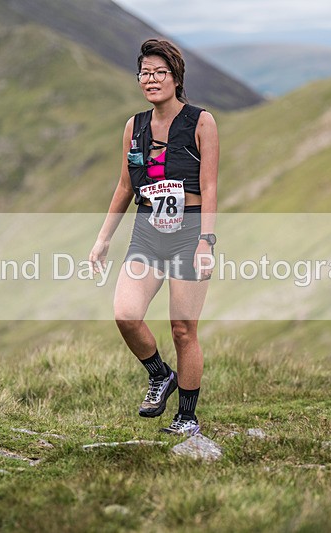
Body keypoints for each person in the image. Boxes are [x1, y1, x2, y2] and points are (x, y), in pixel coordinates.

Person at [89, 38, 219, 436]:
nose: (151, 79)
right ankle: (161, 375)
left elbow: (210, 187)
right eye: (145, 73)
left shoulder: (201, 122)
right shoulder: (135, 126)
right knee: (126, 314)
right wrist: (103, 239)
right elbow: (125, 186)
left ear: (175, 77)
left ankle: (187, 417)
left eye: (160, 72)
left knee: (183, 329)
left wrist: (206, 242)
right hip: (146, 232)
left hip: (189, 234)